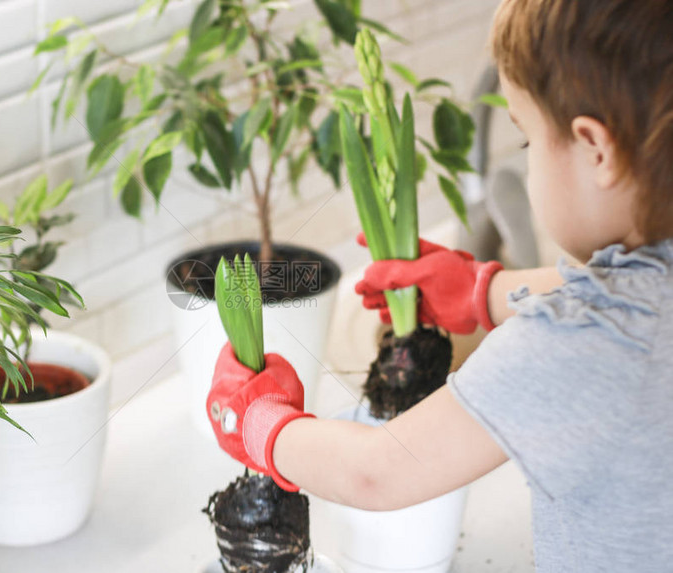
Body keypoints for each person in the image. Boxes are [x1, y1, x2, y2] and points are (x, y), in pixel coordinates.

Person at [205, 0, 673, 570]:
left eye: (526, 141)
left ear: (595, 149)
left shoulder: (584, 344)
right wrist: (481, 291)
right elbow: (616, 294)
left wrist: (255, 423)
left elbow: (380, 469)